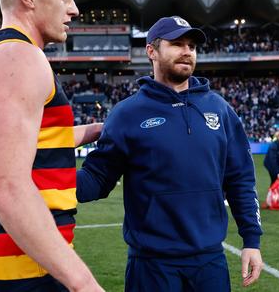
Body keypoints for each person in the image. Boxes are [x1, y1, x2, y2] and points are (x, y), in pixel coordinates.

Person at [77, 16, 264, 291]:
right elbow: (96, 178)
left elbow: (240, 180)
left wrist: (251, 240)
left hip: (210, 263)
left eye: (192, 46)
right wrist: (46, 180)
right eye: (177, 44)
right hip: (151, 266)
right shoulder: (128, 113)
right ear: (151, 51)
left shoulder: (220, 109)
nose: (187, 51)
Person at [0, 0, 104, 291]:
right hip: (29, 267)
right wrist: (83, 283)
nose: (74, 8)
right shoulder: (19, 56)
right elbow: (6, 186)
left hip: (5, 258)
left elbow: (29, 141)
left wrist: (97, 130)